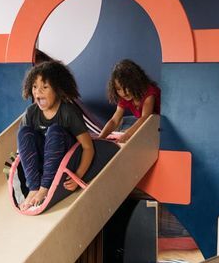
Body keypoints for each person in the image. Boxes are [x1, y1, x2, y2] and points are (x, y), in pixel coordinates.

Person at [18, 59, 95, 211]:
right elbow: (25, 147)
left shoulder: (68, 112)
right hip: (43, 163)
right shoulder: (32, 112)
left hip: (63, 161)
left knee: (54, 131)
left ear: (58, 90)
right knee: (24, 132)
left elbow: (88, 147)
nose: (38, 92)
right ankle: (34, 188)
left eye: (44, 87)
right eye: (34, 87)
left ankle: (45, 188)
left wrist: (77, 175)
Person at [98, 59, 160, 143]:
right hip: (144, 123)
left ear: (135, 82)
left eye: (126, 87)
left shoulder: (149, 92)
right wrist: (101, 138)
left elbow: (146, 118)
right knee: (123, 122)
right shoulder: (124, 97)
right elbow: (114, 120)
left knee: (131, 127)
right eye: (118, 89)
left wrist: (127, 135)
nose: (123, 93)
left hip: (160, 124)